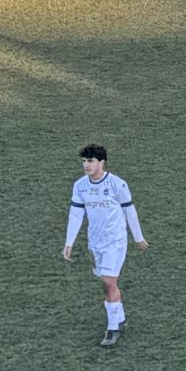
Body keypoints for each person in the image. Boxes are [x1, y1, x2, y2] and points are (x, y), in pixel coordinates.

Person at [63, 143, 147, 348]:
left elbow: (129, 211)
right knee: (106, 284)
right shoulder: (80, 186)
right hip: (95, 243)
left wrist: (138, 237)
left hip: (115, 241)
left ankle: (112, 328)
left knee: (109, 282)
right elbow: (76, 214)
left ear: (101, 162)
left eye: (90, 161)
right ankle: (120, 317)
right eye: (84, 161)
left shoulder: (117, 184)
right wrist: (69, 242)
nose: (86, 165)